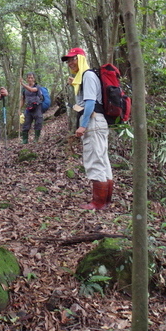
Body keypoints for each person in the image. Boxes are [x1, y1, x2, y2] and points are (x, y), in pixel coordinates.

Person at [61, 47, 114, 210]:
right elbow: (83, 101)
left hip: (93, 122)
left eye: (73, 59)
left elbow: (90, 103)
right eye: (68, 60)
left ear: (82, 59)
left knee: (95, 160)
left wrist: (82, 126)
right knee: (102, 159)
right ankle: (105, 201)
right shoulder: (84, 77)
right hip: (97, 122)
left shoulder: (88, 75)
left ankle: (98, 203)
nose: (70, 63)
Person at [19, 72, 44, 143]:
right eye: (28, 78)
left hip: (37, 107)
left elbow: (32, 90)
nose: (30, 79)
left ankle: (36, 139)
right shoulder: (24, 89)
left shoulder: (37, 86)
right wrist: (19, 109)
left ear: (34, 79)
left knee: (38, 122)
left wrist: (22, 84)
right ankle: (25, 140)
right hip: (28, 108)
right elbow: (22, 99)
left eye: (32, 78)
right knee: (26, 123)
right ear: (26, 79)